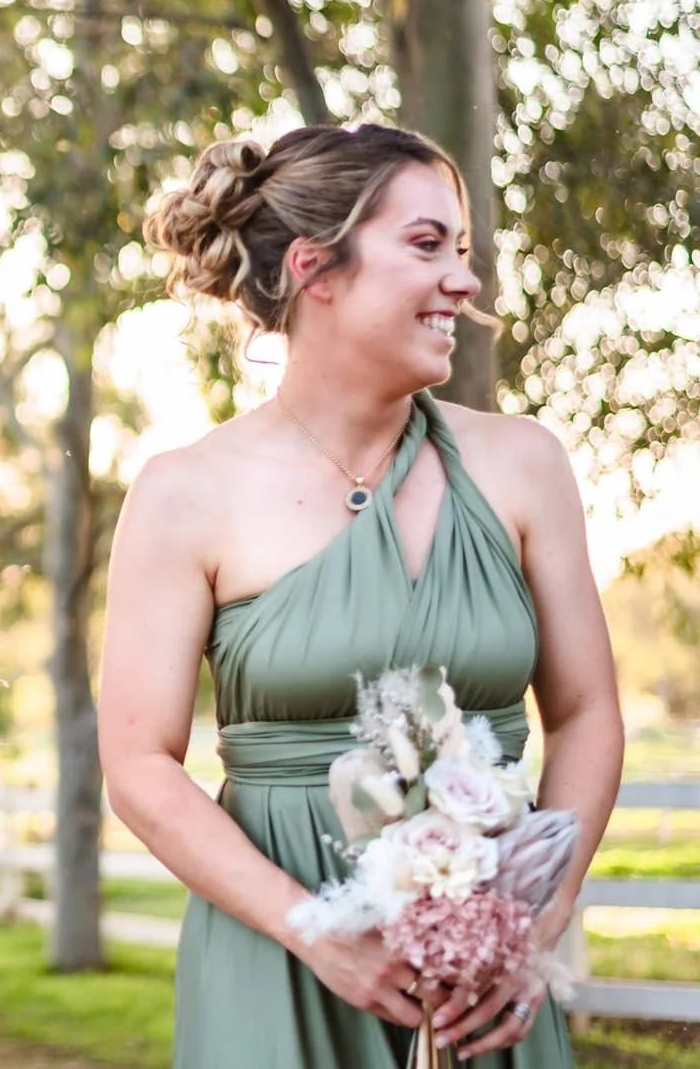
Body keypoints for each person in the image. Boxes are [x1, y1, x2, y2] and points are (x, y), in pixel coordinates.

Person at [99, 124, 624, 1067]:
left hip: (483, 978)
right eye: (428, 245)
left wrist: (535, 919)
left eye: (462, 249)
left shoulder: (524, 464)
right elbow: (139, 763)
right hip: (276, 961)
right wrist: (315, 930)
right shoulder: (185, 492)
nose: (463, 280)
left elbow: (586, 710)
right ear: (316, 269)